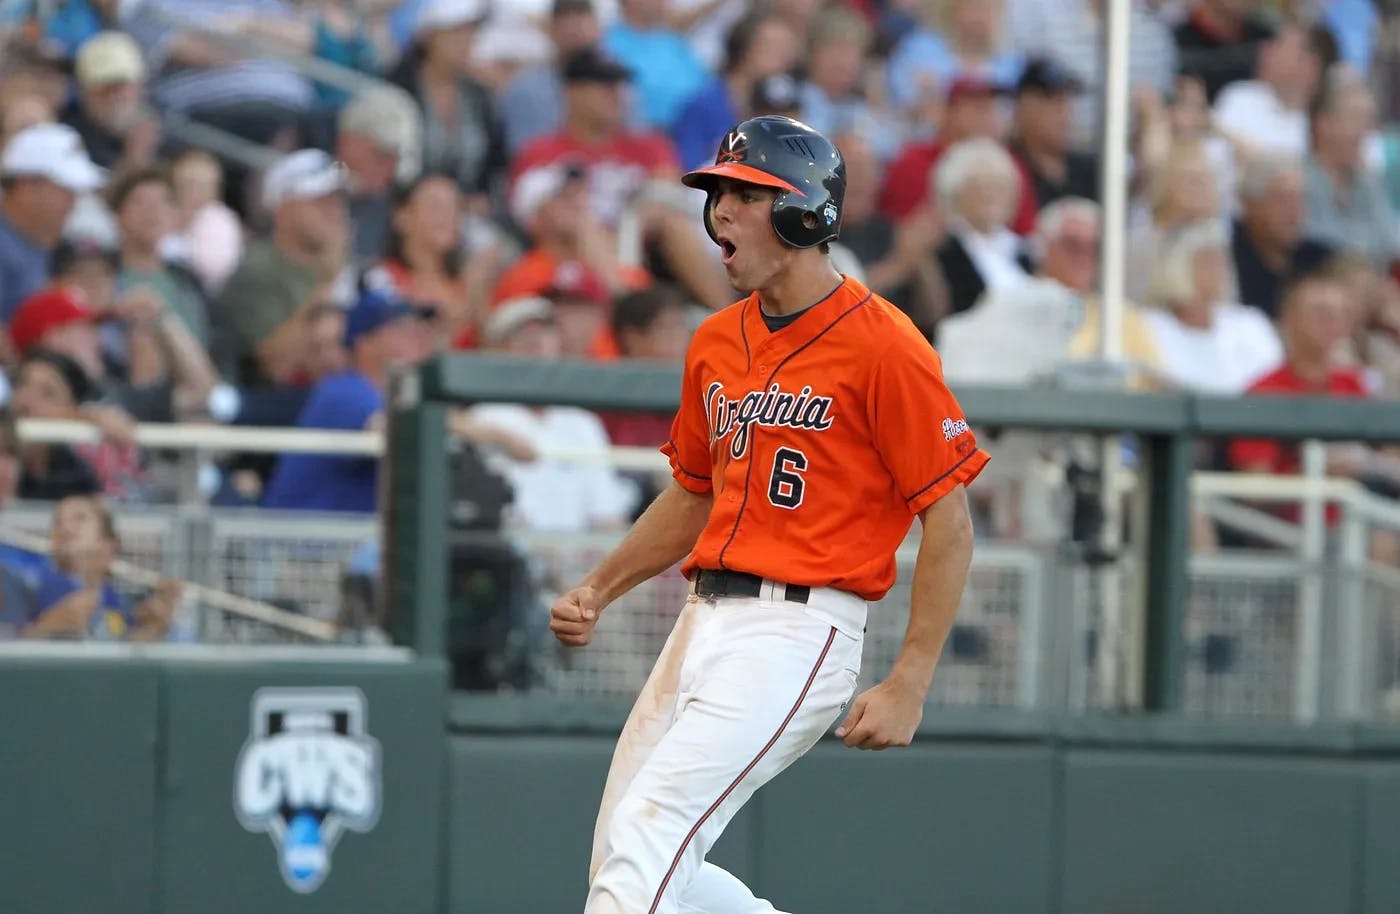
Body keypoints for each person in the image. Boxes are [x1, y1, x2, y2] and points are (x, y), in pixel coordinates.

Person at [549, 116, 988, 913]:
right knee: (629, 850)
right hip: (701, 620)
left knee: (650, 830)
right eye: (718, 192)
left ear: (806, 212)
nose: (721, 210)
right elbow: (694, 492)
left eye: (747, 194)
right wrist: (601, 586)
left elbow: (950, 523)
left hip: (798, 630)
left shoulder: (885, 345)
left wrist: (911, 680)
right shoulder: (716, 340)